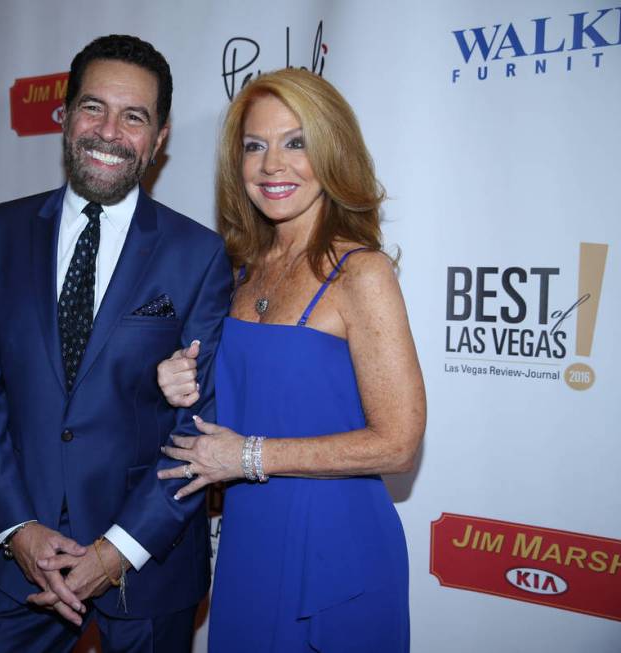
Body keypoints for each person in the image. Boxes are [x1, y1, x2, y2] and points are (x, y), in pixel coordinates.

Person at [0, 34, 232, 652]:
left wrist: (118, 549)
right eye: (93, 107)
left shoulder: (200, 256)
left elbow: (198, 427)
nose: (109, 130)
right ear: (65, 116)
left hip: (150, 561)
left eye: (134, 116)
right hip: (28, 558)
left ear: (159, 139)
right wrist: (18, 528)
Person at [156, 68, 425, 652]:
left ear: (331, 151)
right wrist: (179, 379)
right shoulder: (239, 269)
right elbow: (245, 397)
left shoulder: (361, 273)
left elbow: (399, 443)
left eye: (295, 142)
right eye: (256, 146)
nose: (272, 164)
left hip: (336, 547)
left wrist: (247, 455)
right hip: (250, 538)